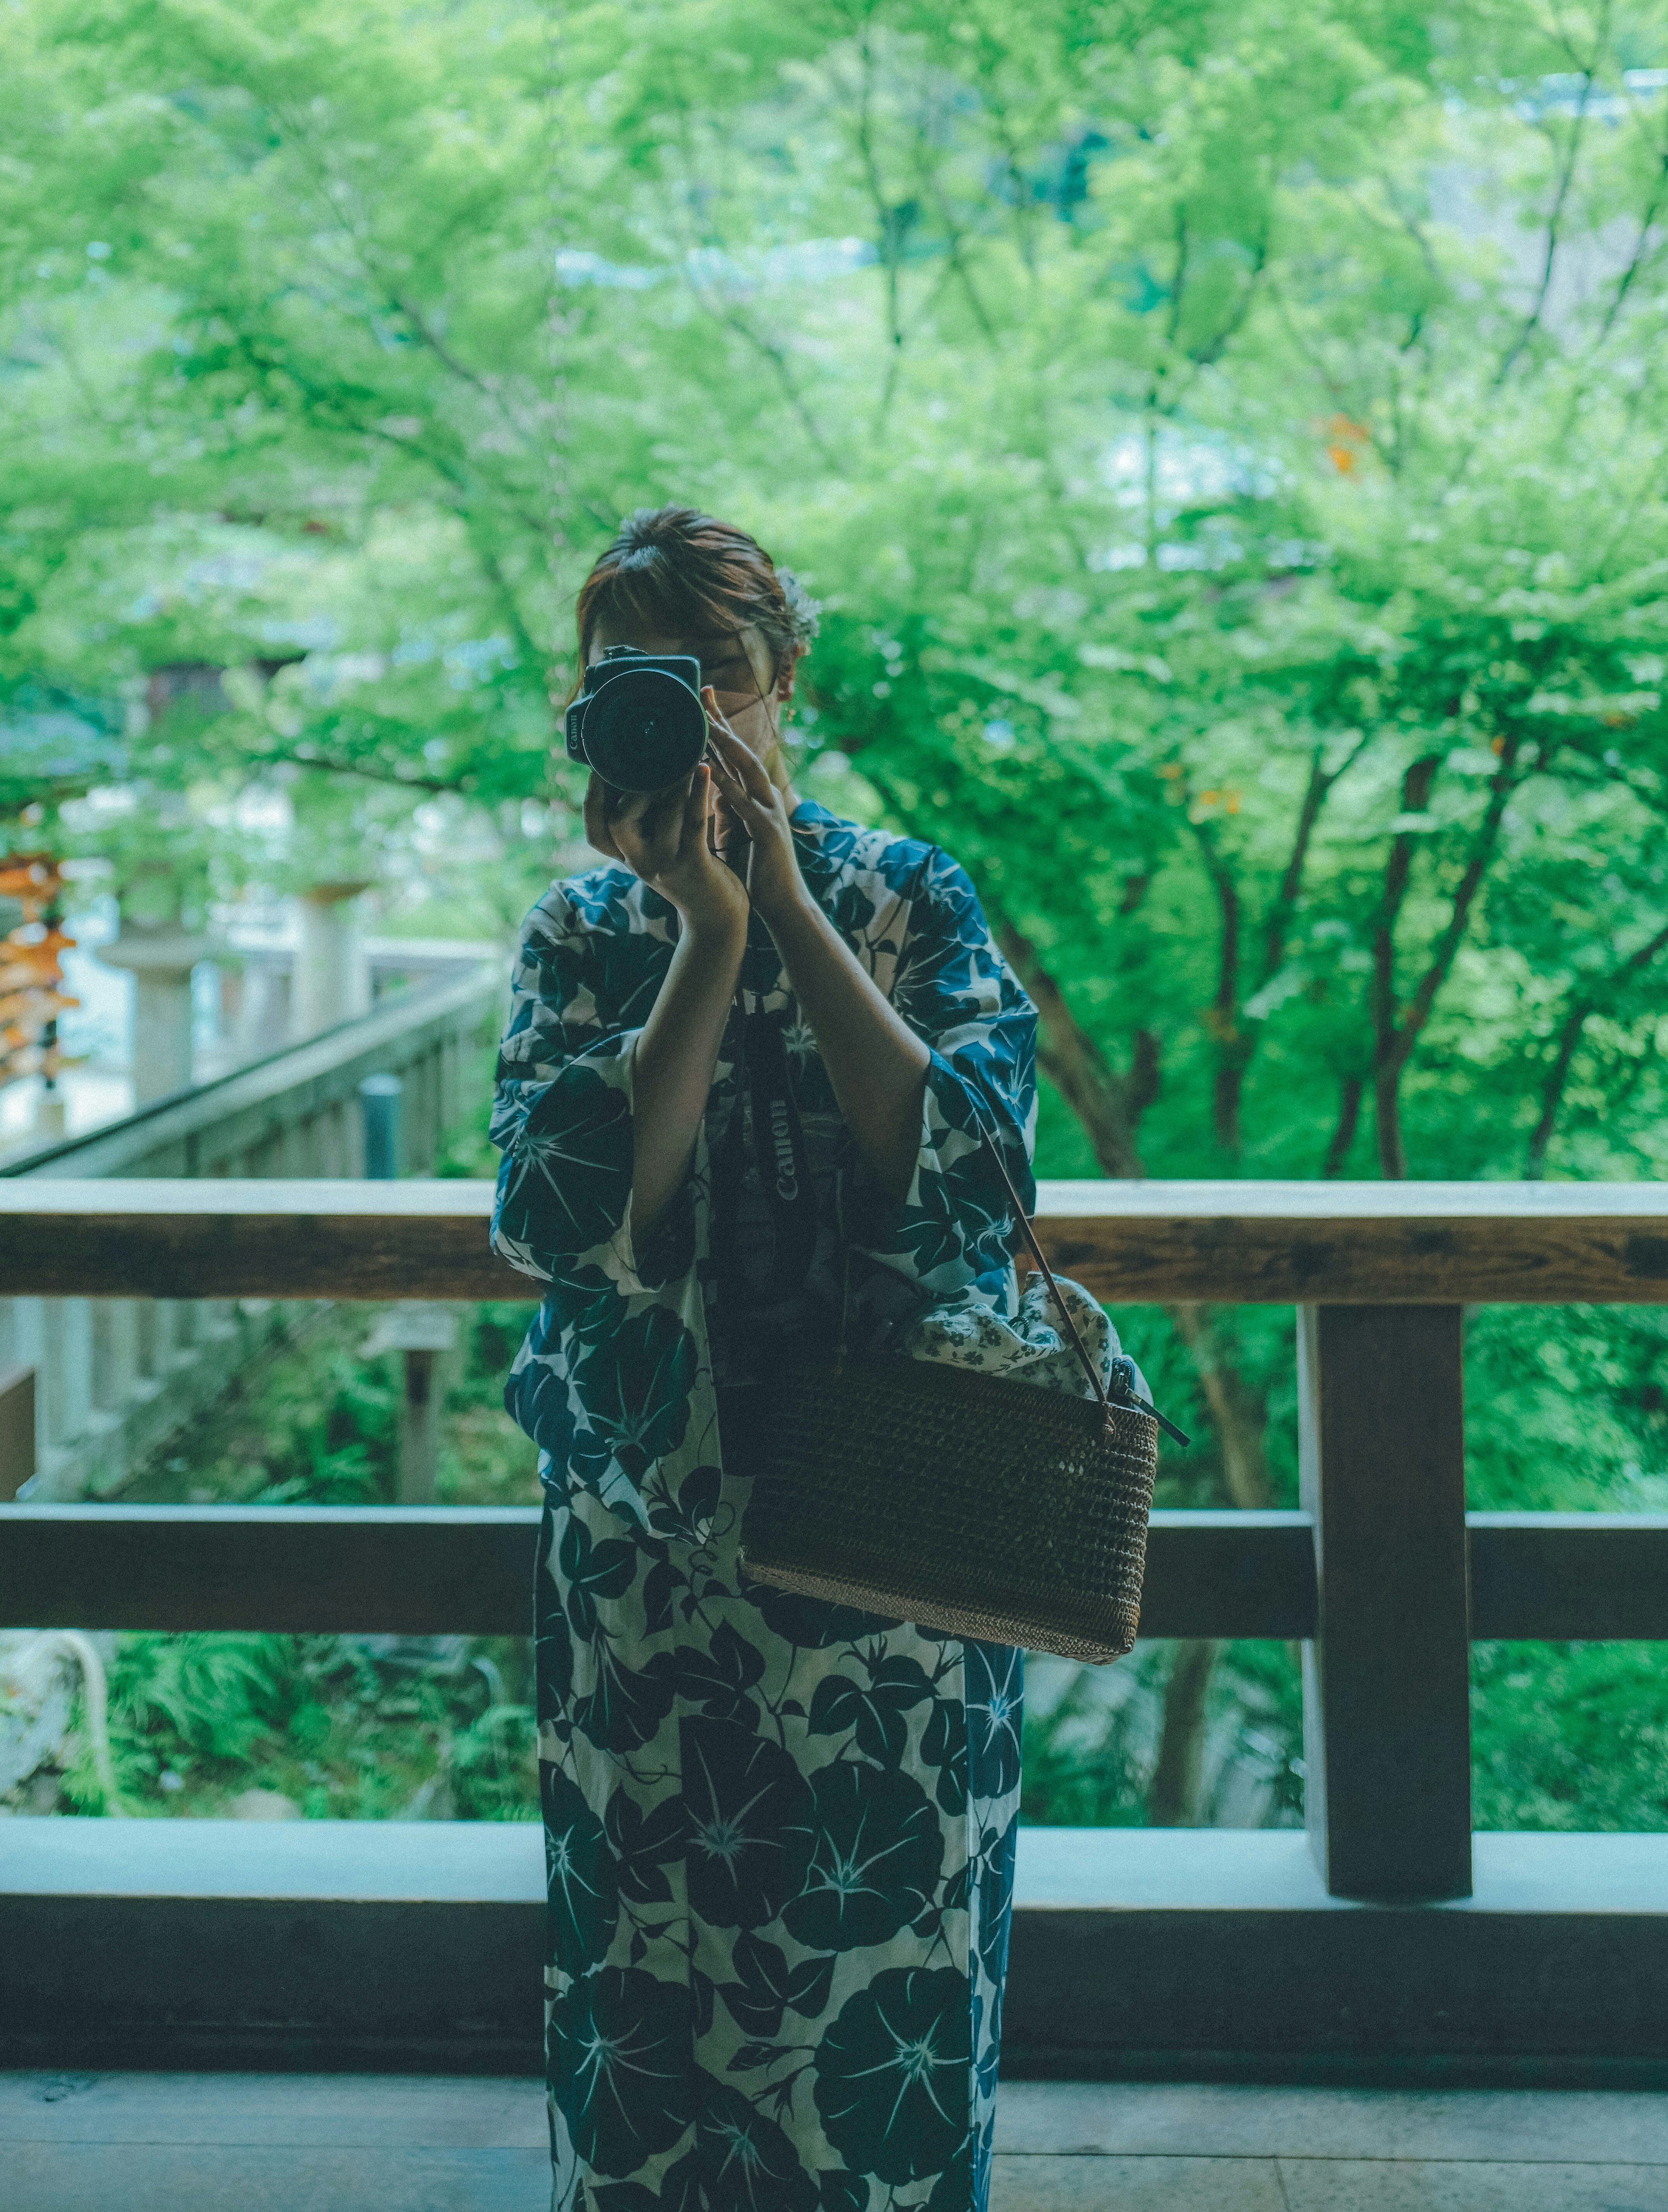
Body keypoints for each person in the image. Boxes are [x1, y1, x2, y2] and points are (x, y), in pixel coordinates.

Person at [490, 504, 1038, 2212]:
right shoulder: (587, 934)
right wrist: (706, 938)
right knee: (646, 2018)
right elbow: (560, 1214)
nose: (693, 710)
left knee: (889, 2008)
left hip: (901, 1566)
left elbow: (976, 1180)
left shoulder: (907, 898)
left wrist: (789, 903)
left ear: (783, 675)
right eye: (636, 682)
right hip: (648, 1572)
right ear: (590, 717)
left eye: (716, 669)